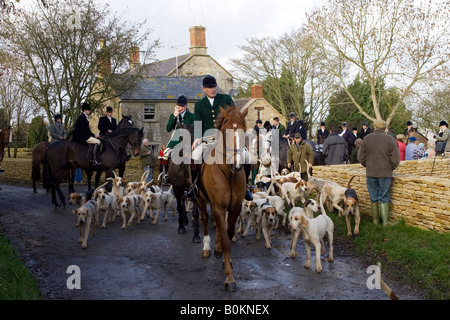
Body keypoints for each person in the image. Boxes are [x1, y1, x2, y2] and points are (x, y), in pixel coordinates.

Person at [191, 75, 252, 200]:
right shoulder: (199, 105)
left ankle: (244, 187)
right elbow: (198, 123)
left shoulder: (226, 99)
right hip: (207, 139)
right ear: (204, 89)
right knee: (195, 155)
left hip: (228, 139)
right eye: (209, 87)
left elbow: (236, 116)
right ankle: (195, 187)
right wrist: (197, 138)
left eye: (214, 87)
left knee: (247, 156)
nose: (213, 89)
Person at [358, 119, 399, 226]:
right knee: (384, 196)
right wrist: (390, 168)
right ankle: (385, 222)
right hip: (385, 172)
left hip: (371, 172)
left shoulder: (367, 138)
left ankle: (375, 221)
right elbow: (395, 158)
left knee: (373, 196)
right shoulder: (390, 139)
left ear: (374, 127)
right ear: (385, 128)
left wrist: (368, 166)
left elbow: (360, 157)